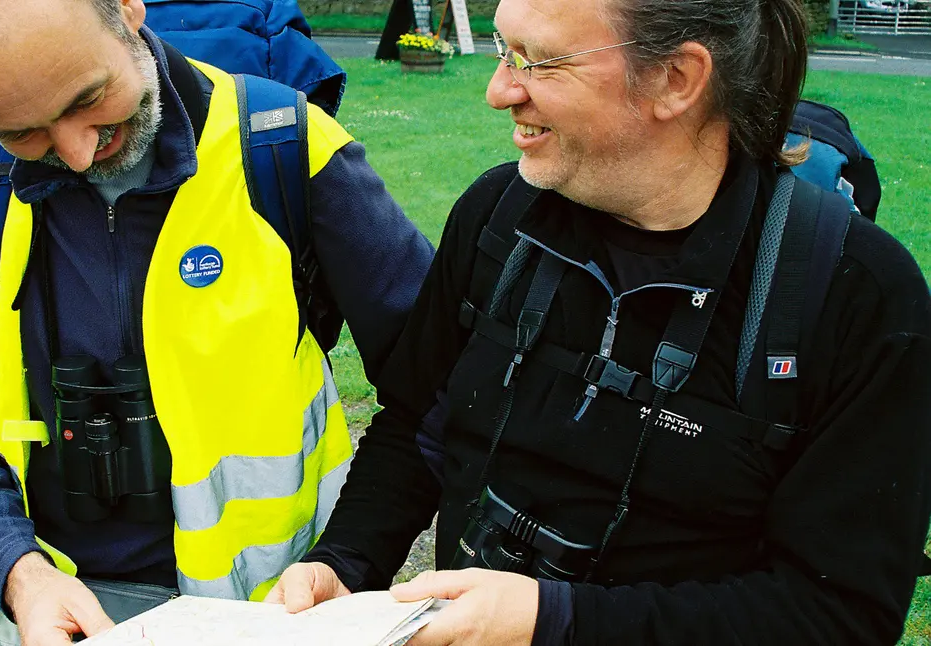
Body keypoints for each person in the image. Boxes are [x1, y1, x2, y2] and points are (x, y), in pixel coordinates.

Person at [267, 0, 931, 644]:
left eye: (540, 62)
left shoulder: (856, 298)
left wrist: (554, 622)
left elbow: (837, 615)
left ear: (676, 79)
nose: (499, 91)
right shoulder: (499, 217)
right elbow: (419, 424)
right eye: (504, 51)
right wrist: (347, 563)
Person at [0, 0, 434, 644]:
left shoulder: (286, 146)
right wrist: (18, 574)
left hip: (270, 618)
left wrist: (349, 558)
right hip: (38, 614)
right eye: (20, 132)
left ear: (126, 10)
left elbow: (435, 391)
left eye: (88, 97)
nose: (78, 153)